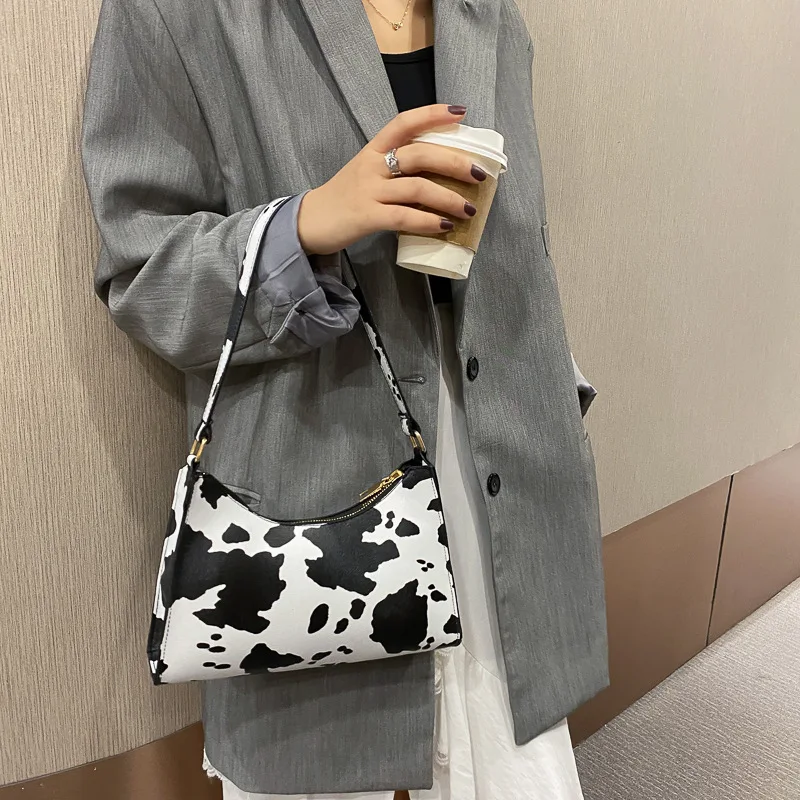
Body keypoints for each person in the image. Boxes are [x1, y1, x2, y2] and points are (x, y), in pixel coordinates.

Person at [81, 0, 607, 797]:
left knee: (515, 768)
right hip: (315, 509)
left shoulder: (490, 14)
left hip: (498, 483)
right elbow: (142, 273)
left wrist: (557, 388)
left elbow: (519, 239)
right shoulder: (176, 12)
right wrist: (304, 227)